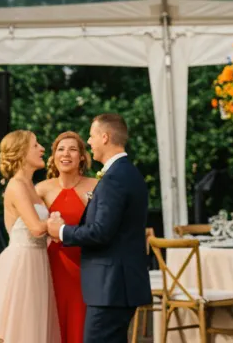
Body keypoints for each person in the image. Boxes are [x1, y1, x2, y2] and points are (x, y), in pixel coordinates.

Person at [46, 113, 151, 343]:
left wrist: (61, 231)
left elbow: (101, 232)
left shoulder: (115, 178)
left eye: (92, 136)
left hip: (111, 288)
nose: (89, 142)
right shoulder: (125, 172)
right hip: (117, 286)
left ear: (105, 137)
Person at [0, 129, 60, 343]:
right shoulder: (16, 186)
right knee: (19, 323)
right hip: (22, 264)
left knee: (35, 322)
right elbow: (36, 228)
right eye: (35, 145)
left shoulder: (32, 186)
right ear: (21, 152)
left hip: (39, 261)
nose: (42, 149)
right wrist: (57, 224)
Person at [37, 130, 98, 343]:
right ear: (53, 156)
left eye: (73, 149)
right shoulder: (41, 189)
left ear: (82, 156)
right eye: (60, 149)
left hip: (87, 266)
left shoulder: (96, 186)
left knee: (81, 325)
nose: (66, 154)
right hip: (53, 266)